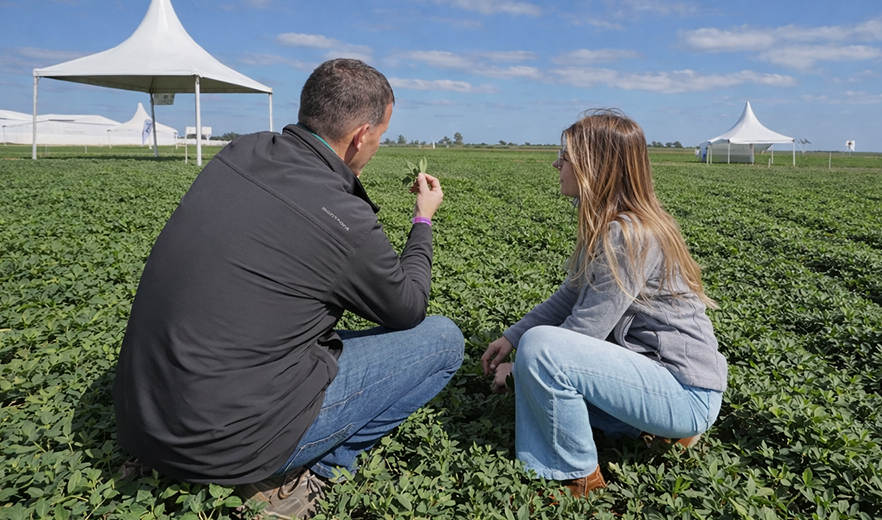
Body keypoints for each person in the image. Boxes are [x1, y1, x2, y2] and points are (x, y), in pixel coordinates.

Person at [113, 59, 465, 519]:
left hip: (141, 418)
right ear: (361, 136)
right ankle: (302, 476)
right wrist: (422, 220)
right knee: (443, 340)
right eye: (378, 136)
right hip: (227, 443)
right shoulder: (346, 220)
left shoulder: (242, 152)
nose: (376, 147)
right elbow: (408, 307)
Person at [480, 109, 727, 498]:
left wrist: (522, 363)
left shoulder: (630, 235)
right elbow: (571, 295)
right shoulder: (608, 222)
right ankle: (658, 432)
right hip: (656, 377)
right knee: (535, 369)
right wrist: (512, 338)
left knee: (541, 354)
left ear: (596, 167)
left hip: (685, 393)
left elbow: (585, 331)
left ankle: (577, 477)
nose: (557, 163)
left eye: (566, 156)